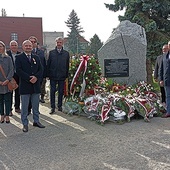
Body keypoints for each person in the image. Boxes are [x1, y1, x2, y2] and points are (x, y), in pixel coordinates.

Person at [15, 40, 45, 132]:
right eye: (26, 46)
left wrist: (36, 77)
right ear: (23, 47)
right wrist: (29, 78)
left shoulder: (36, 57)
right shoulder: (19, 57)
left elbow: (41, 69)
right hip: (25, 85)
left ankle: (36, 121)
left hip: (35, 86)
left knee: (35, 106)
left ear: (32, 47)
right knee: (24, 107)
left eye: (29, 46)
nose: (28, 47)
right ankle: (25, 124)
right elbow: (18, 70)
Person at [47, 37, 70, 114]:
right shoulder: (51, 53)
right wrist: (48, 74)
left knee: (61, 91)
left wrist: (66, 75)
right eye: (57, 42)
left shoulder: (66, 54)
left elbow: (67, 65)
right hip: (53, 75)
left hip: (62, 76)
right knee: (52, 91)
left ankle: (59, 106)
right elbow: (48, 64)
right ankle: (52, 107)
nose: (59, 44)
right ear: (55, 43)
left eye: (60, 42)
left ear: (62, 43)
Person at [28, 36, 47, 103]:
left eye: (34, 42)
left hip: (40, 74)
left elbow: (44, 63)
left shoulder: (41, 52)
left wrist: (45, 74)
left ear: (37, 43)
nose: (33, 43)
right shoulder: (27, 52)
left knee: (41, 87)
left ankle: (42, 97)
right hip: (31, 75)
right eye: (31, 42)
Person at [0, 41, 14, 123]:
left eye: (1, 46)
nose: (0, 48)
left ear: (4, 48)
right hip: (0, 83)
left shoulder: (8, 58)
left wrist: (8, 79)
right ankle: (2, 115)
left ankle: (7, 115)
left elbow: (11, 70)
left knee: (8, 100)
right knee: (0, 100)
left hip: (7, 83)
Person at [7, 40, 21, 115]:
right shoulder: (7, 54)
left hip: (18, 76)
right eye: (12, 45)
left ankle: (17, 107)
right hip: (10, 76)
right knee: (9, 93)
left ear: (17, 46)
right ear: (10, 46)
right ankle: (9, 109)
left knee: (18, 93)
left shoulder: (20, 54)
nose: (14, 46)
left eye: (15, 45)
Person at [160, 41, 170, 118]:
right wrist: (161, 79)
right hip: (167, 80)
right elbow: (161, 69)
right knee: (168, 96)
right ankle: (168, 112)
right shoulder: (165, 56)